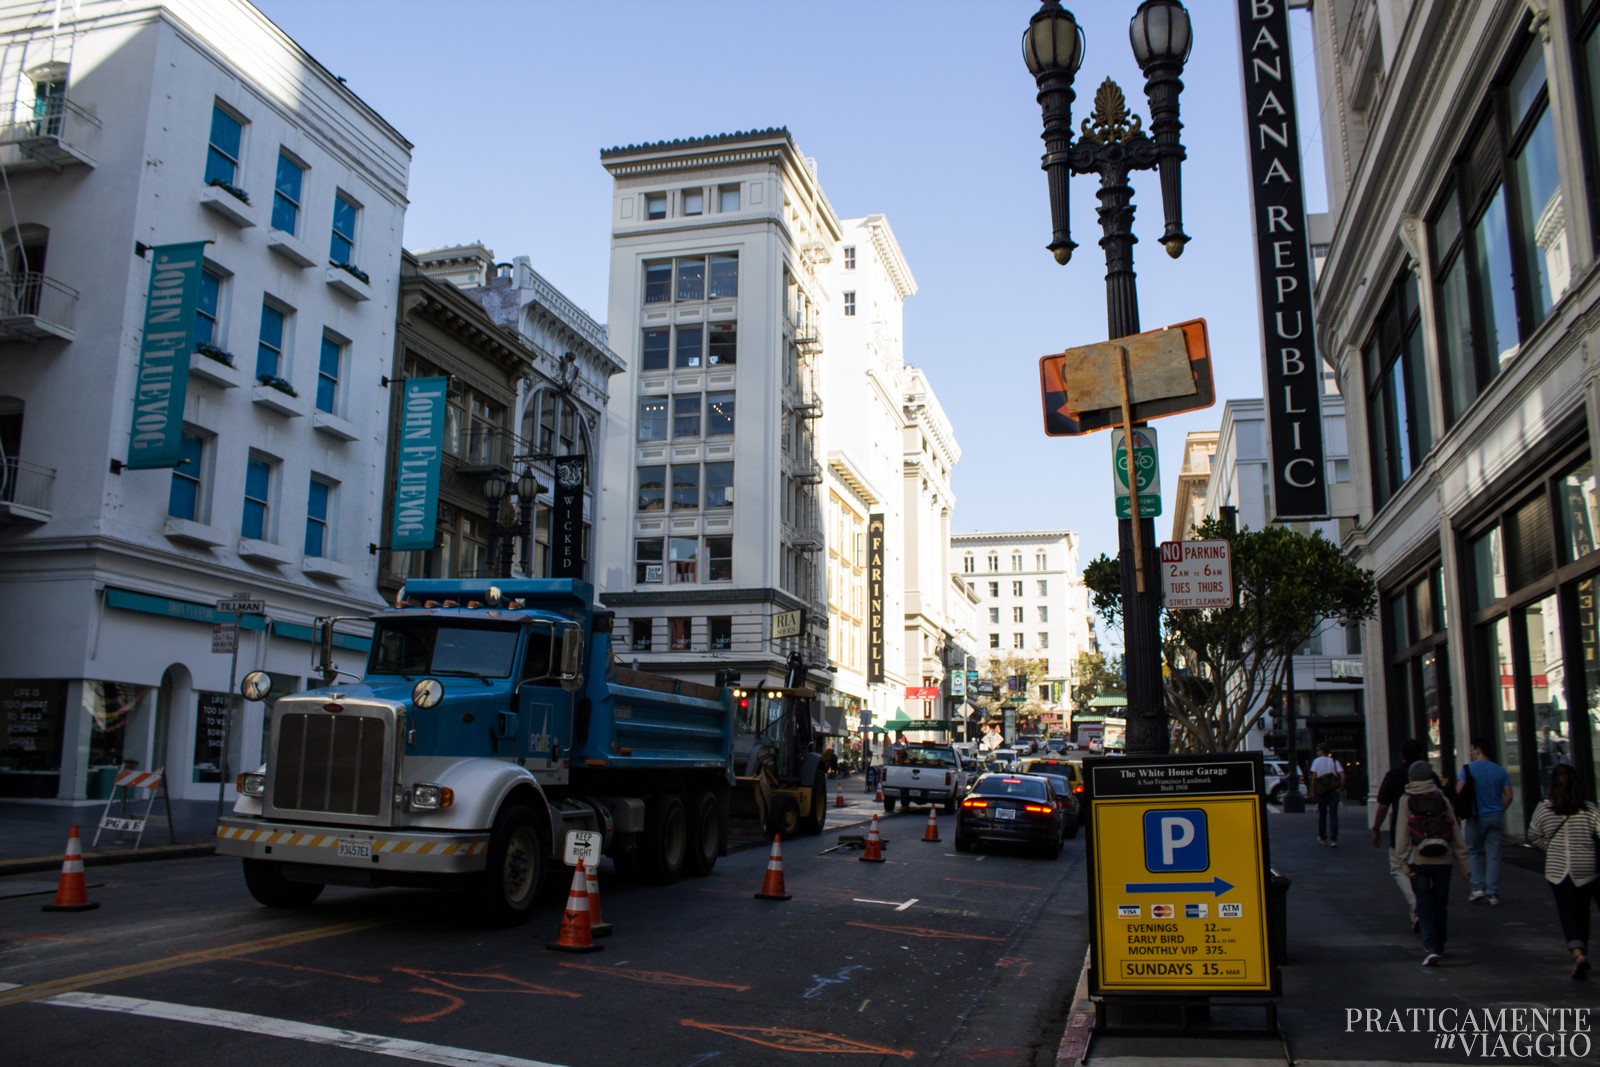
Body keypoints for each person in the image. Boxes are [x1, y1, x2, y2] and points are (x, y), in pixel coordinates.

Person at [1391, 760, 1471, 966]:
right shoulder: (1441, 798)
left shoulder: (1406, 800)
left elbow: (1402, 834)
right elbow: (1455, 831)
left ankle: (1431, 945)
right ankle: (1440, 943)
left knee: (1424, 904)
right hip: (1443, 858)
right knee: (1440, 903)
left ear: (1411, 778)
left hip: (1419, 858)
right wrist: (1464, 862)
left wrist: (1403, 862)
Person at [1526, 764, 1600, 980]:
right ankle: (1583, 947)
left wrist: (1550, 848)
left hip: (1557, 869)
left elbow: (1533, 835)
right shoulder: (1588, 808)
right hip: (1586, 866)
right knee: (1583, 911)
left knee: (1567, 911)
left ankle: (1577, 953)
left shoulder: (1545, 808)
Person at [1371, 738, 1426, 930]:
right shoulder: (1430, 776)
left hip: (1401, 832)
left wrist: (1376, 829)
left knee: (1398, 867)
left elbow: (1383, 807)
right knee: (1423, 868)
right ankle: (1419, 909)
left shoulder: (1394, 776)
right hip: (1428, 833)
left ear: (1402, 756)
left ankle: (1415, 904)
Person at [1460, 737, 1513, 905]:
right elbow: (1509, 795)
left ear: (1478, 749)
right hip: (1495, 815)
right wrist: (1500, 809)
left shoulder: (1468, 770)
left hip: (1476, 816)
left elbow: (1459, 790)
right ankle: (1493, 892)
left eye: (1472, 749)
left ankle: (1477, 887)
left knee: (1473, 851)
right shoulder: (1500, 771)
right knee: (1494, 855)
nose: (1470, 752)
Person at [1309, 743, 1346, 847]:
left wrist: (1313, 791)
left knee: (1322, 815)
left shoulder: (1316, 761)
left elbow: (1314, 777)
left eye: (1318, 749)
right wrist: (1340, 787)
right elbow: (1342, 775)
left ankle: (1322, 838)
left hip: (1321, 790)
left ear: (1322, 751)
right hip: (1333, 790)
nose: (1316, 751)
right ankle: (1334, 839)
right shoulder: (1334, 761)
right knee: (1334, 815)